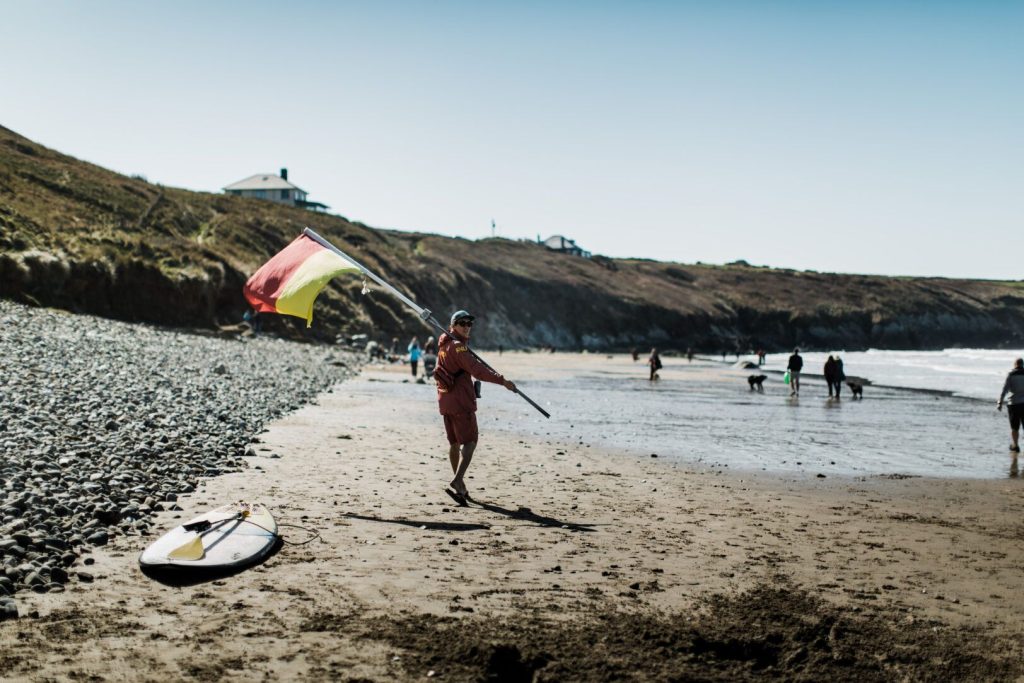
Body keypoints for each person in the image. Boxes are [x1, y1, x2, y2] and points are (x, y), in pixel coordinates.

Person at [435, 310, 517, 498]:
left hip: (445, 401)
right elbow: (478, 371)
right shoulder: (458, 347)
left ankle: (460, 484)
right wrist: (503, 381)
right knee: (470, 442)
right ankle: (457, 479)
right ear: (453, 326)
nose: (466, 327)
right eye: (462, 323)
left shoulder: (443, 346)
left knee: (454, 443)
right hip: (461, 402)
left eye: (469, 323)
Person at [997, 358, 1024, 453]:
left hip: (1014, 404)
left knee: (1014, 427)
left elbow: (1005, 389)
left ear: (1015, 364)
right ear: (1022, 364)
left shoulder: (1011, 375)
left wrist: (1000, 402)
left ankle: (1015, 445)